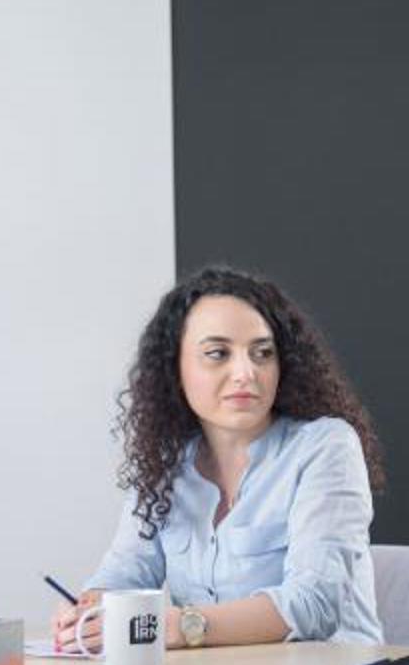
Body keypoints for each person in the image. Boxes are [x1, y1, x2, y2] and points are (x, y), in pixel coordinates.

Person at [51, 266, 385, 651]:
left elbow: (313, 604)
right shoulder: (166, 463)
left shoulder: (326, 445)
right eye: (217, 354)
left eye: (262, 353)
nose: (245, 372)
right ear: (175, 368)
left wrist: (183, 626)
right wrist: (91, 611)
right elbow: (125, 570)